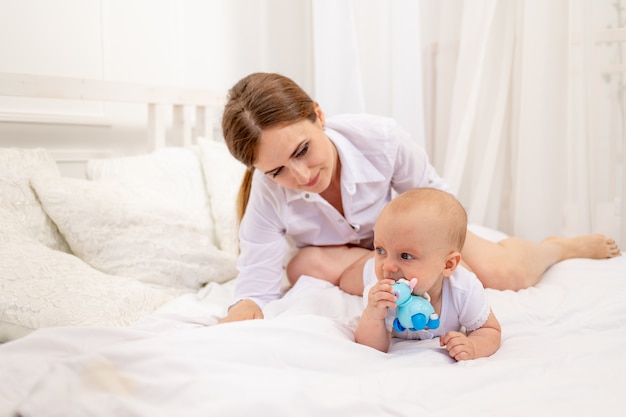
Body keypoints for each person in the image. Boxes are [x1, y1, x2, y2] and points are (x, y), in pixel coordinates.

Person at [218, 72, 621, 323]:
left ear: (318, 116)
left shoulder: (380, 139)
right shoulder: (269, 193)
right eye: (277, 170)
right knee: (303, 264)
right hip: (340, 254)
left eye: (302, 151)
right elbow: (256, 282)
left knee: (507, 274)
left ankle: (555, 249)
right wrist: (242, 310)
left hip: (405, 240)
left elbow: (437, 204)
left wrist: (424, 260)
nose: (301, 176)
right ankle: (345, 259)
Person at [355, 188, 501, 360]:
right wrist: (373, 316)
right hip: (364, 268)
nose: (387, 266)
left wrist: (474, 346)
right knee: (345, 279)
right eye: (380, 249)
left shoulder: (464, 290)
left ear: (447, 264)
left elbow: (489, 330)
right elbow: (371, 347)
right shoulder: (381, 293)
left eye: (406, 256)